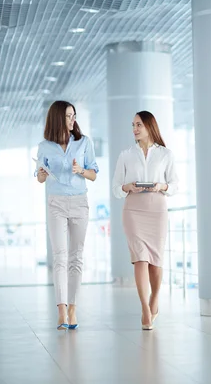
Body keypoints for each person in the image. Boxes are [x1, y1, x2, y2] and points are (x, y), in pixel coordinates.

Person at [111, 111, 178, 330]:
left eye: (138, 124)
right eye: (133, 125)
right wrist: (126, 187)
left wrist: (162, 186)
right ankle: (145, 309)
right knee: (140, 258)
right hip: (133, 210)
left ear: (149, 126)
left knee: (155, 262)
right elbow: (115, 188)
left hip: (157, 210)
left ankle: (155, 299)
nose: (135, 129)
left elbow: (175, 184)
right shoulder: (126, 155)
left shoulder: (165, 154)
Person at [35, 100, 99, 330]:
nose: (73, 120)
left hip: (80, 202)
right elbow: (40, 178)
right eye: (68, 116)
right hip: (56, 203)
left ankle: (73, 308)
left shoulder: (84, 142)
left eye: (74, 115)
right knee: (60, 256)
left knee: (76, 257)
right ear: (57, 118)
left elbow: (93, 174)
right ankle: (61, 308)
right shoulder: (45, 146)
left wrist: (80, 170)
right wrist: (42, 173)